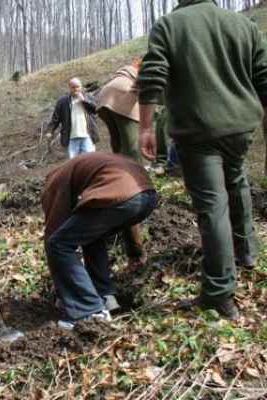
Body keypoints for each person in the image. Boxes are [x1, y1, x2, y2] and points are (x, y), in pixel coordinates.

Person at [137, 0, 267, 319]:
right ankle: (247, 253)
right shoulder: (243, 25)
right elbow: (263, 76)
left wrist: (145, 127)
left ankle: (220, 293)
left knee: (212, 204)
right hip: (240, 126)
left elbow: (152, 76)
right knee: (236, 182)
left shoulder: (170, 25)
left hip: (197, 130)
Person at [42, 152, 158, 329]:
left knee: (58, 244)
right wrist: (136, 253)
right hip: (146, 195)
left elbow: (54, 235)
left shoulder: (55, 182)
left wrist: (63, 290)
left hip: (123, 194)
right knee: (92, 237)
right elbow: (128, 200)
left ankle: (89, 312)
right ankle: (106, 297)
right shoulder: (89, 168)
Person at [96, 60, 143, 163]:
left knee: (116, 139)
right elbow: (141, 84)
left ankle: (118, 169)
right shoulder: (146, 66)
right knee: (131, 144)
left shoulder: (127, 71)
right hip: (123, 94)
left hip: (103, 99)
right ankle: (137, 172)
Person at [46, 78, 99, 159]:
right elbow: (55, 118)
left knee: (90, 162)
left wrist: (84, 101)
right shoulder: (62, 101)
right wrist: (50, 131)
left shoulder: (89, 97)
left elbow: (96, 110)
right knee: (74, 164)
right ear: (69, 88)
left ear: (81, 87)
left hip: (88, 136)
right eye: (73, 87)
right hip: (71, 138)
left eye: (77, 87)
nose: (75, 89)